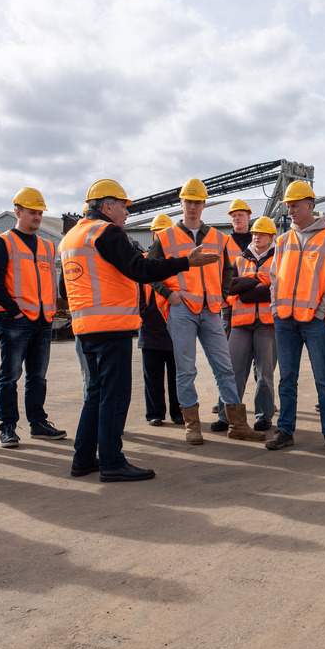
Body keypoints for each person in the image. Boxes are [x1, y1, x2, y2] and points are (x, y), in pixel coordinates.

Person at [61, 178, 220, 482]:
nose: (126, 214)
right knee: (115, 396)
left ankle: (83, 458)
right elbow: (142, 269)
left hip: (85, 327)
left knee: (95, 394)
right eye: (123, 207)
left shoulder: (72, 237)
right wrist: (186, 262)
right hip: (111, 326)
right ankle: (111, 462)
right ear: (107, 206)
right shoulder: (106, 232)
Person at [147, 178, 264, 444]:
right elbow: (149, 272)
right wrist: (168, 294)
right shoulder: (165, 238)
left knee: (225, 368)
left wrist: (222, 294)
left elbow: (228, 270)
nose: (192, 207)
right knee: (186, 370)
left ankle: (237, 425)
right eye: (188, 202)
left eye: (197, 202)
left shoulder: (218, 238)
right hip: (182, 310)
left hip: (211, 310)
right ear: (181, 203)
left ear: (204, 205)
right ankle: (192, 426)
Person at [266, 180, 325, 452]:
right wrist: (276, 308)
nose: (290, 211)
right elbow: (274, 277)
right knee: (287, 378)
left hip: (314, 321)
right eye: (288, 206)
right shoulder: (283, 240)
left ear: (310, 206)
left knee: (324, 378)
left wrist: (321, 312)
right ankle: (286, 430)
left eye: (295, 206)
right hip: (285, 320)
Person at [0, 187, 67, 448]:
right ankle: (7, 427)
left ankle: (38, 423)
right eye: (32, 212)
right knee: (10, 376)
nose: (37, 217)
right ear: (18, 212)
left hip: (43, 320)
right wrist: (13, 310)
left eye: (40, 213)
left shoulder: (46, 246)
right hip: (16, 320)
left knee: (38, 376)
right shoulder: (3, 242)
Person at [227, 215, 278, 435]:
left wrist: (248, 289)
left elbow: (278, 288)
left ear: (271, 237)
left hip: (267, 324)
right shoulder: (239, 260)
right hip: (240, 323)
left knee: (265, 373)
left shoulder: (279, 259)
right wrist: (260, 287)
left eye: (262, 234)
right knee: (233, 372)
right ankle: (227, 416)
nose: (257, 237)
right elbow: (229, 288)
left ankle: (263, 416)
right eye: (255, 233)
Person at [210, 198, 256, 425]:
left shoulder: (260, 237)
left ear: (249, 216)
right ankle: (226, 402)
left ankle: (264, 403)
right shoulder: (224, 242)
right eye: (233, 216)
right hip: (230, 306)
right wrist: (224, 298)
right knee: (228, 359)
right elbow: (218, 272)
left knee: (260, 359)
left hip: (257, 307)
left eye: (241, 215)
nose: (237, 218)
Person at [140, 213, 182, 427]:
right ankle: (154, 413)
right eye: (157, 233)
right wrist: (142, 312)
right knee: (153, 375)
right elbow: (137, 290)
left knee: (178, 375)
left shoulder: (176, 265)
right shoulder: (143, 263)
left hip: (174, 325)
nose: (159, 237)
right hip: (150, 326)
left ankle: (179, 413)